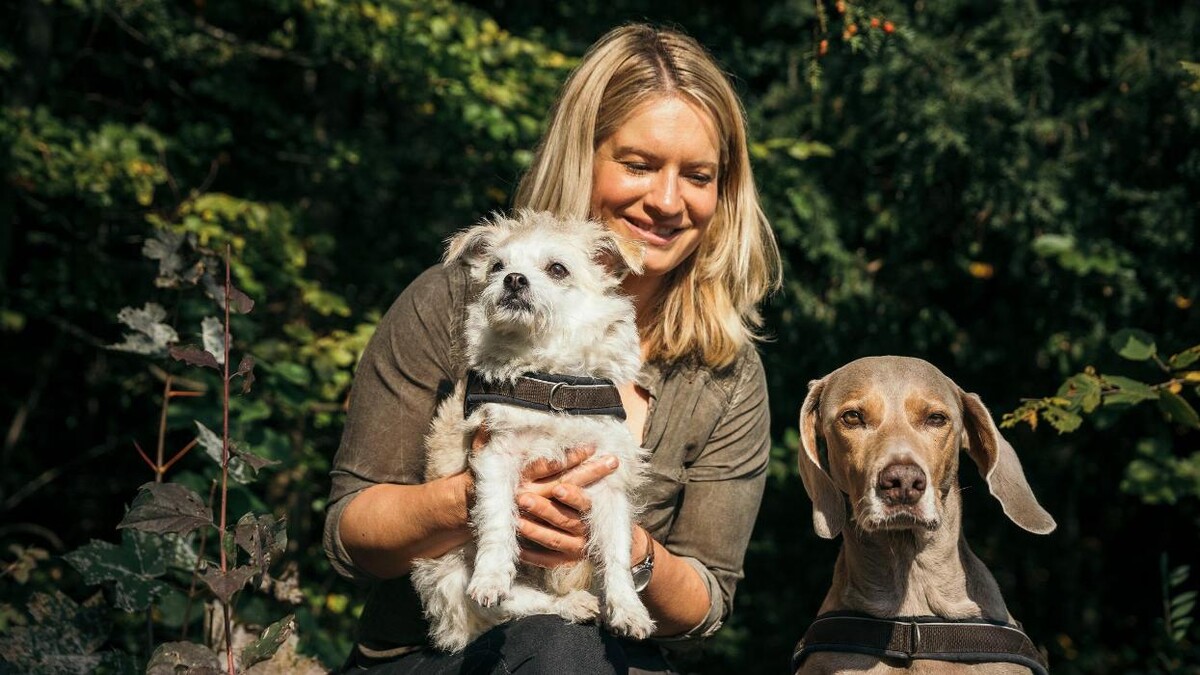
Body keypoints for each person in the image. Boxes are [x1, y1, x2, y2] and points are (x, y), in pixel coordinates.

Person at [324, 23, 782, 674]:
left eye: (698, 175)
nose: (668, 200)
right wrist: (473, 499)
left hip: (606, 655)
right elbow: (350, 534)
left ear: (723, 193)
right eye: (639, 164)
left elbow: (706, 604)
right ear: (581, 157)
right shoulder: (457, 301)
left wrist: (628, 549)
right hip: (435, 655)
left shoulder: (725, 370)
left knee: (570, 649)